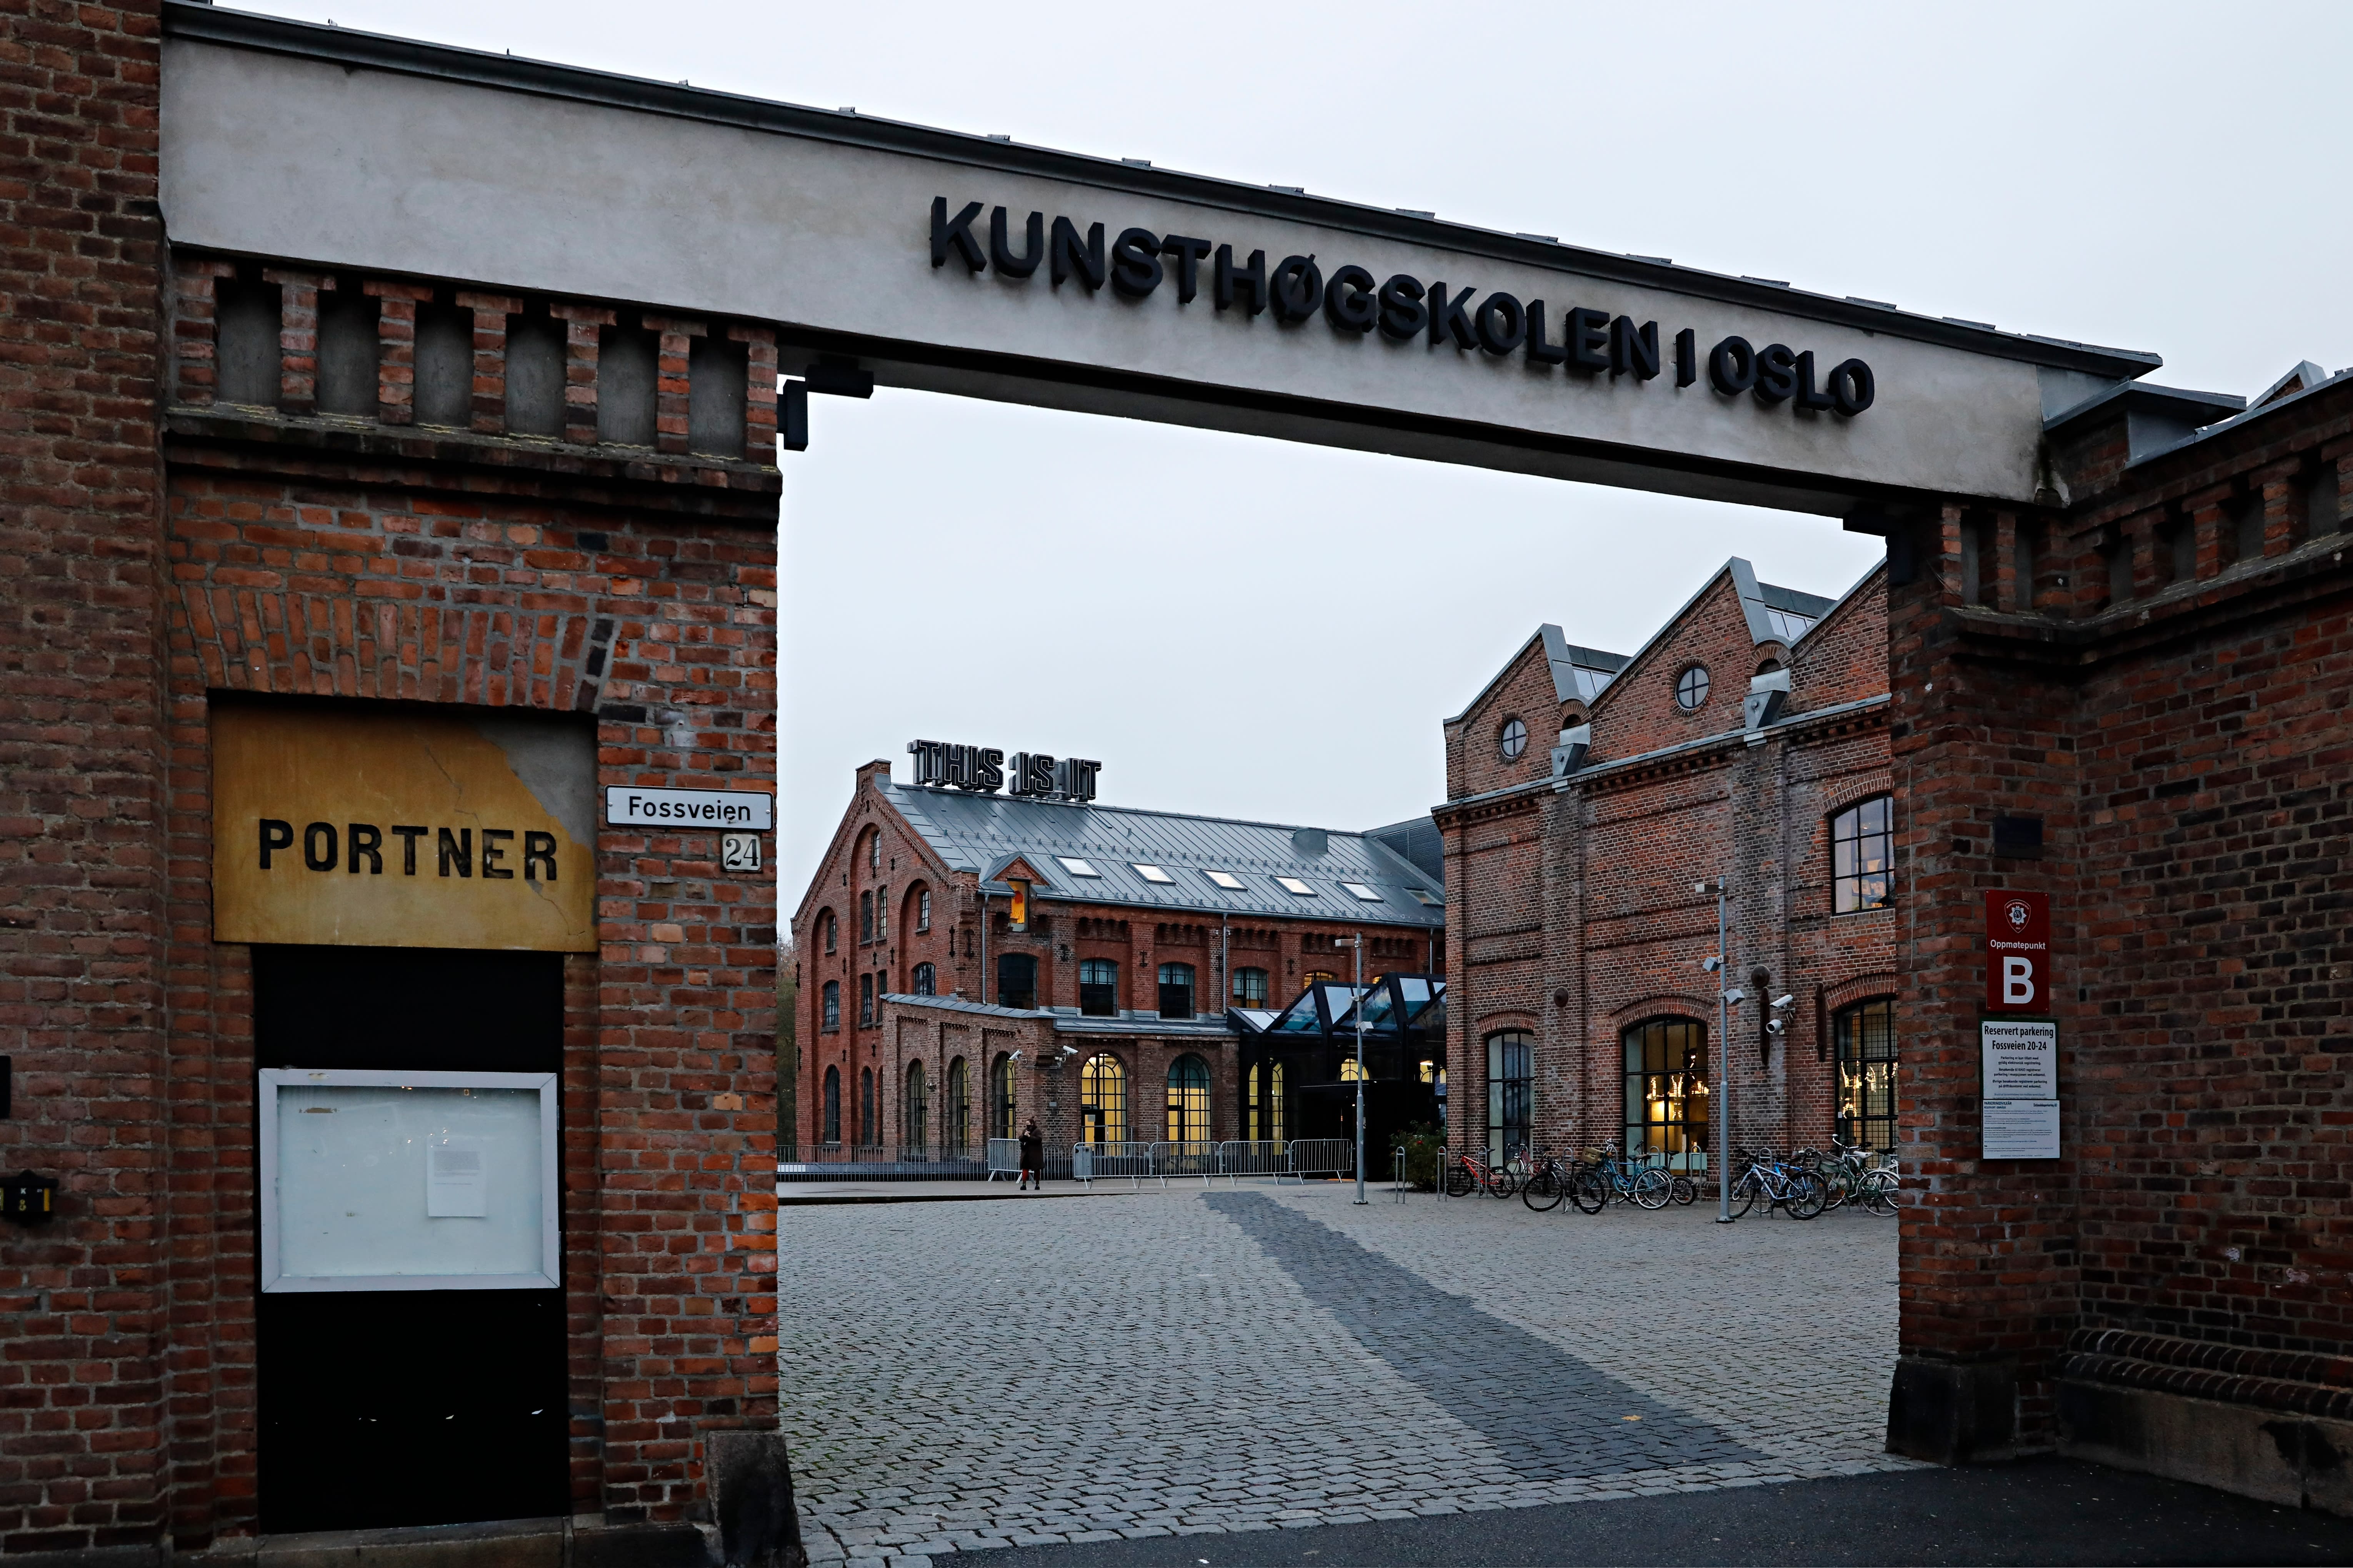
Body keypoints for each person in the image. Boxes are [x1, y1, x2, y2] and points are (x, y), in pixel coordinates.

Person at [1018, 1117, 1044, 1190]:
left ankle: (1037, 1184)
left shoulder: (1037, 1131)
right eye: (1026, 1124)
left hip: (1036, 1153)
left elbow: (1039, 1140)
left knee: (1037, 1169)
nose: (1027, 1125)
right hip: (1026, 1153)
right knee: (1025, 1168)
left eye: (1028, 1124)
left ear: (1032, 1124)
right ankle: (1024, 1184)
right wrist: (1024, 1136)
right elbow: (1021, 1138)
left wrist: (1030, 1137)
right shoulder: (1026, 1130)